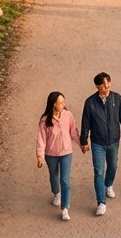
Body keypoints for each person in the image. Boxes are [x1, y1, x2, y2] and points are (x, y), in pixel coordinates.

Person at [79, 73, 121, 215]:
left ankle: (108, 184)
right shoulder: (90, 103)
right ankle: (101, 202)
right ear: (97, 86)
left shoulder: (117, 99)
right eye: (103, 84)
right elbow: (85, 123)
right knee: (99, 172)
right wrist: (84, 141)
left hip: (113, 141)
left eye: (108, 82)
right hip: (97, 142)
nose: (106, 86)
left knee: (113, 166)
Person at [36, 91, 80, 221]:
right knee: (54, 176)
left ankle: (65, 208)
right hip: (51, 154)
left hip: (66, 152)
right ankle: (56, 193)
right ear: (54, 104)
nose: (63, 104)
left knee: (65, 180)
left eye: (63, 101)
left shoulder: (68, 115)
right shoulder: (45, 120)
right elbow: (41, 139)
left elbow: (73, 131)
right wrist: (40, 156)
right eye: (61, 102)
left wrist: (81, 144)